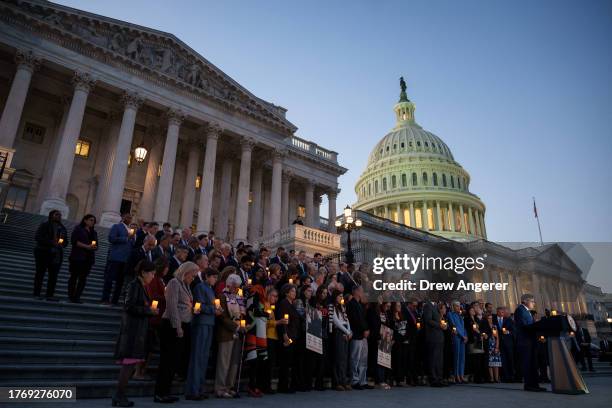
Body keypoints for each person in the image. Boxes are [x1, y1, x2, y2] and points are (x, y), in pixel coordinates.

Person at [112, 260, 157, 407]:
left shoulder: (142, 286)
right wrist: (148, 311)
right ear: (143, 272)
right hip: (131, 331)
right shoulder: (134, 285)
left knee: (129, 366)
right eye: (151, 273)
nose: (152, 276)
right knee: (127, 366)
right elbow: (129, 306)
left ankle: (119, 395)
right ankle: (119, 395)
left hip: (137, 330)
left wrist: (149, 311)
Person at [154, 262, 198, 403]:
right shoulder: (174, 283)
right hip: (172, 325)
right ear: (185, 272)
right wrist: (177, 327)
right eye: (193, 274)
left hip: (184, 324)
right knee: (167, 360)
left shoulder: (186, 285)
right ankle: (160, 392)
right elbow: (172, 306)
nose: (194, 277)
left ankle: (166, 391)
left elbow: (185, 304)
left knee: (174, 360)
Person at [185, 267, 221, 400]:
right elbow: (198, 305)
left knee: (204, 356)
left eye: (216, 278)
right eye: (213, 277)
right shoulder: (200, 287)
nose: (215, 280)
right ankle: (192, 390)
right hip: (201, 323)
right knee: (197, 356)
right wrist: (213, 310)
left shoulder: (211, 289)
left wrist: (218, 309)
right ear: (206, 276)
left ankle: (199, 388)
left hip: (209, 323)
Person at [215, 274, 244, 398]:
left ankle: (229, 386)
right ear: (230, 285)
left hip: (237, 333)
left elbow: (241, 313)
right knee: (224, 361)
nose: (236, 289)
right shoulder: (222, 296)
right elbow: (222, 316)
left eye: (238, 287)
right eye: (235, 286)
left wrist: (242, 324)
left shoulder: (239, 298)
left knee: (234, 362)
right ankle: (220, 388)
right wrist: (235, 326)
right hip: (226, 333)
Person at [33, 209, 67, 301]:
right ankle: (36, 293)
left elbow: (65, 242)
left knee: (53, 276)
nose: (59, 216)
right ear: (51, 215)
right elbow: (38, 237)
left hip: (56, 255)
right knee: (40, 273)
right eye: (56, 214)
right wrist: (52, 243)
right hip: (43, 252)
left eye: (60, 215)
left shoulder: (62, 228)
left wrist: (61, 243)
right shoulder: (45, 225)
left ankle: (49, 294)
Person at [514, 294, 546, 392]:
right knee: (528, 364)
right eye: (532, 301)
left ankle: (535, 385)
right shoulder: (520, 310)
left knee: (533, 364)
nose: (534, 303)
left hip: (531, 341)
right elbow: (524, 325)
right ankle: (529, 385)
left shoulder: (528, 312)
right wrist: (536, 324)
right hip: (525, 341)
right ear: (525, 301)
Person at [102, 213, 135, 305]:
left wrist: (132, 239)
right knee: (109, 279)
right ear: (123, 217)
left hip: (125, 259)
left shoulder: (131, 230)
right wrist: (125, 238)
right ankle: (105, 299)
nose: (129, 219)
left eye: (130, 218)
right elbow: (111, 238)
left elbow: (131, 243)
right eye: (127, 217)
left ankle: (115, 300)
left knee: (120, 281)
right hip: (116, 257)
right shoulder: (116, 226)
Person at [67, 214, 98, 303]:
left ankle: (77, 296)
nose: (92, 222)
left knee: (83, 278)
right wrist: (86, 246)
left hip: (88, 259)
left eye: (94, 221)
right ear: (85, 220)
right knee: (74, 277)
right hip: (77, 257)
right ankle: (71, 296)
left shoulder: (94, 232)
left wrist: (94, 247)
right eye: (91, 220)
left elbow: (96, 245)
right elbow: (74, 241)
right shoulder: (78, 229)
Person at [276, 283, 300, 393]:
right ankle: (283, 385)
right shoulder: (284, 303)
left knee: (289, 360)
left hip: (293, 335)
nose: (294, 293)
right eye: (292, 291)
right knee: (285, 361)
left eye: (295, 291)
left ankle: (287, 384)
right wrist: (285, 335)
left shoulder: (292, 304)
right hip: (287, 336)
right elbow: (283, 321)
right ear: (286, 292)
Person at [346, 286, 372, 390]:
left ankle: (362, 380)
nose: (362, 292)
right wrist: (364, 329)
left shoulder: (360, 304)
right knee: (355, 358)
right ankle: (355, 380)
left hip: (363, 335)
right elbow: (355, 320)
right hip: (356, 334)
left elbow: (363, 319)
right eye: (361, 290)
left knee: (363, 359)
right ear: (356, 291)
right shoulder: (351, 304)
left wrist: (367, 329)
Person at [330, 290, 351, 390]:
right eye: (339, 296)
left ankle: (343, 380)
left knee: (344, 358)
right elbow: (336, 322)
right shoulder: (332, 306)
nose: (341, 298)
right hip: (338, 331)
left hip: (345, 330)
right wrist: (346, 332)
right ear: (335, 297)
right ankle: (337, 382)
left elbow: (347, 320)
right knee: (338, 357)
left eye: (342, 296)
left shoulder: (343, 307)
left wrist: (349, 331)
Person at [423, 299, 447, 387]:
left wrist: (444, 324)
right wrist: (439, 325)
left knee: (439, 359)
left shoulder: (437, 306)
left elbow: (440, 319)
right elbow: (428, 320)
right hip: (433, 337)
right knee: (433, 358)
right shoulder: (428, 306)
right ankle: (433, 379)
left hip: (440, 336)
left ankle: (439, 378)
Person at [448, 300, 467, 383]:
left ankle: (461, 375)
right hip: (456, 337)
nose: (459, 307)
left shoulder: (460, 315)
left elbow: (464, 327)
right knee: (457, 356)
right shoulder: (450, 314)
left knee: (462, 357)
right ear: (453, 306)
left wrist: (466, 336)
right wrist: (462, 336)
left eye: (459, 306)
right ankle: (456, 375)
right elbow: (453, 325)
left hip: (463, 337)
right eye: (457, 306)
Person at [484, 313, 501, 382]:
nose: (490, 320)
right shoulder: (485, 326)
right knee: (490, 363)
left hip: (494, 345)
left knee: (496, 362)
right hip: (488, 345)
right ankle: (491, 378)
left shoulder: (494, 326)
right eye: (488, 318)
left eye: (491, 318)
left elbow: (496, 337)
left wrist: (497, 347)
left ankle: (496, 378)